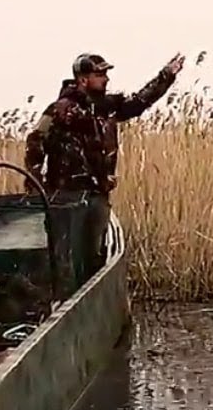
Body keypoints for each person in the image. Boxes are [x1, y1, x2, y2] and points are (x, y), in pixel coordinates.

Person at [23, 52, 184, 296]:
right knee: (64, 254)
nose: (106, 78)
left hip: (97, 193)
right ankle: (62, 304)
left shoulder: (106, 107)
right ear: (83, 79)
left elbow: (139, 102)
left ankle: (89, 305)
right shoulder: (59, 110)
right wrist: (35, 181)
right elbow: (35, 140)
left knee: (94, 255)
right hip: (65, 195)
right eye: (99, 74)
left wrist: (166, 76)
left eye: (106, 73)